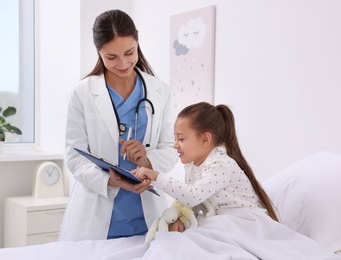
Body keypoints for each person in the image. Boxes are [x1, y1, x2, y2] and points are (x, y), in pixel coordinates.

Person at [59, 9, 178, 241]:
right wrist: (108, 180)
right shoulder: (82, 93)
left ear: (137, 42)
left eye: (129, 52)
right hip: (95, 214)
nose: (123, 63)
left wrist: (147, 161)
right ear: (99, 52)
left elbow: (170, 147)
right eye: (111, 57)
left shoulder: (159, 91)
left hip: (147, 214)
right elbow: (74, 156)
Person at [134, 101, 279, 231]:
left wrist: (156, 176)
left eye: (181, 139)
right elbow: (192, 202)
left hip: (245, 222)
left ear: (205, 139)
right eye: (175, 138)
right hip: (222, 219)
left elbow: (193, 196)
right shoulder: (193, 166)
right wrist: (179, 218)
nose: (175, 145)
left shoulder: (221, 164)